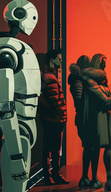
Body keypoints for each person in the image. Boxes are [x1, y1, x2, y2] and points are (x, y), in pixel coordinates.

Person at [80, 54, 111, 191]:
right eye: (103, 63)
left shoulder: (95, 79)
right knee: (98, 147)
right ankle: (100, 179)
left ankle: (101, 179)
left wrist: (109, 97)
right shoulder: (90, 80)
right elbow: (106, 99)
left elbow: (107, 97)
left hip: (102, 117)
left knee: (103, 148)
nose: (105, 65)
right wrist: (110, 97)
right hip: (98, 118)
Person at [39, 49, 69, 185]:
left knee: (50, 148)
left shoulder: (48, 75)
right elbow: (53, 99)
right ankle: (52, 175)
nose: (60, 61)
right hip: (53, 118)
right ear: (52, 59)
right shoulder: (49, 76)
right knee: (52, 148)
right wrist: (59, 113)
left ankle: (51, 174)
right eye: (59, 58)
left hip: (53, 117)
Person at [68, 55, 92, 187]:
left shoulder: (77, 80)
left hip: (82, 116)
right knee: (88, 147)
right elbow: (79, 100)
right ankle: (84, 176)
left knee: (88, 147)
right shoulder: (79, 81)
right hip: (84, 117)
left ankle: (85, 176)